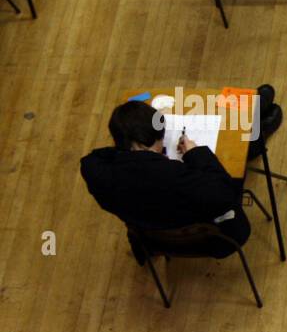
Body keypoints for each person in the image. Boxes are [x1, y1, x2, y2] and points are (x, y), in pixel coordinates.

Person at [80, 100, 251, 258]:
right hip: (210, 239)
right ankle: (258, 128)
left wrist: (131, 152)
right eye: (160, 138)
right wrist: (195, 153)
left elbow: (92, 158)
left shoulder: (95, 172)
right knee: (236, 174)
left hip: (153, 238)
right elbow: (224, 194)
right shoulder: (173, 176)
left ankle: (260, 120)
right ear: (142, 142)